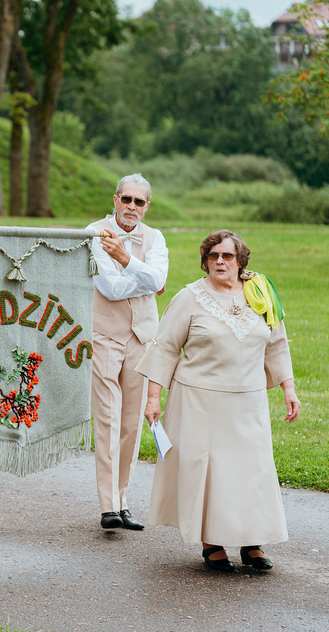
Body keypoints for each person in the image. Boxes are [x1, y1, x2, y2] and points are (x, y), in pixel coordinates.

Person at [138, 230, 299, 571]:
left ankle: (252, 543)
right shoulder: (189, 297)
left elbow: (277, 343)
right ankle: (211, 543)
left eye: (227, 256)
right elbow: (165, 347)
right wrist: (153, 398)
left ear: (241, 261)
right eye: (213, 256)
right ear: (205, 261)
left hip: (249, 400)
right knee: (211, 473)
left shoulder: (261, 291)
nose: (220, 262)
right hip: (199, 400)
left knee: (252, 470)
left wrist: (289, 387)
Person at [86, 173, 168, 530]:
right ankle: (108, 505)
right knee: (107, 416)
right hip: (106, 334)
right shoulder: (94, 233)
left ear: (147, 206)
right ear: (115, 200)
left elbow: (160, 280)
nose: (132, 206)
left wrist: (125, 258)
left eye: (139, 201)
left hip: (143, 336)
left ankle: (122, 500)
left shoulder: (156, 237)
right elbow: (111, 288)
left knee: (132, 422)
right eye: (127, 199)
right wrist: (145, 277)